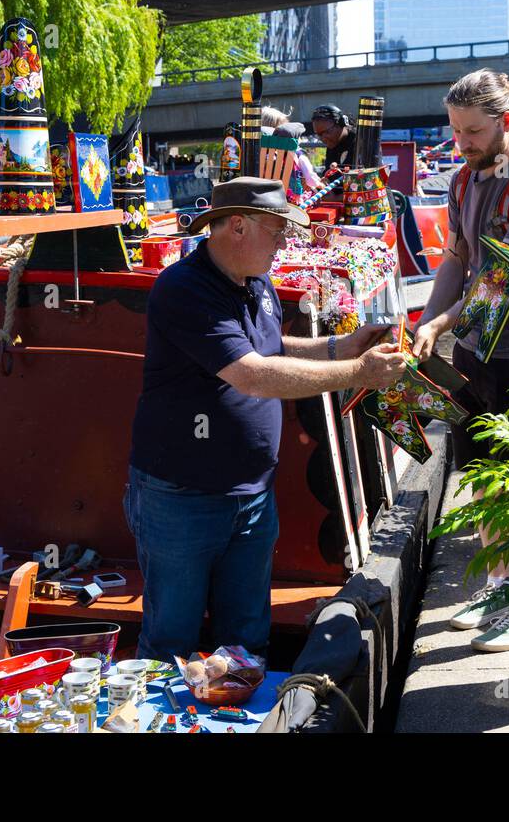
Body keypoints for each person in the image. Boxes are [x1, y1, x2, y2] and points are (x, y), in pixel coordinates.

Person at [126, 178, 408, 662]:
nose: (285, 243)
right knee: (171, 642)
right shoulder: (185, 289)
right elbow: (251, 374)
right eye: (278, 232)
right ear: (237, 226)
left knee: (246, 641)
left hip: (251, 492)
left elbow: (270, 346)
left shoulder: (253, 281)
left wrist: (343, 345)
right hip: (185, 497)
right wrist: (357, 372)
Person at [412, 68, 509, 653]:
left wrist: (444, 323)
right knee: (481, 478)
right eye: (455, 132)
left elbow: (507, 281)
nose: (462, 144)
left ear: (505, 122)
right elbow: (457, 260)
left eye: (472, 132)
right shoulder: (462, 179)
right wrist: (428, 319)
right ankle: (501, 584)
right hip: (476, 351)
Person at [311, 103, 357, 171]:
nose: (323, 139)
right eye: (319, 135)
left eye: (327, 132)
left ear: (341, 123)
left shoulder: (359, 142)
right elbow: (329, 173)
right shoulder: (333, 144)